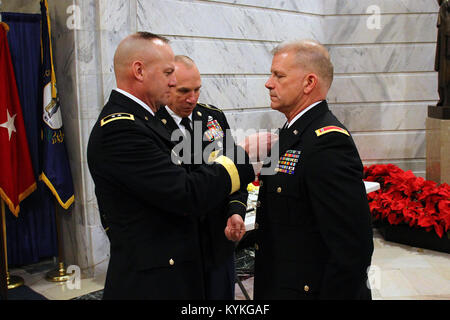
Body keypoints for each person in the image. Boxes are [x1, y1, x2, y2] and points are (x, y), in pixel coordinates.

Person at [87, 32, 265, 299]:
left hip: (192, 261)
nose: (173, 82)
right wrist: (243, 155)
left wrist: (234, 209)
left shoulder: (145, 120)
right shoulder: (122, 129)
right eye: (168, 72)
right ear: (139, 71)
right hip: (155, 281)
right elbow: (186, 192)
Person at [253, 39, 374, 300]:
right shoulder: (290, 133)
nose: (268, 83)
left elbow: (352, 247)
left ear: (309, 83)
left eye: (279, 75)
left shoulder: (328, 141)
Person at [156, 55, 248, 300]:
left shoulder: (212, 117)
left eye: (197, 90)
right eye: (184, 91)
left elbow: (233, 172)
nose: (192, 99)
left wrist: (235, 211)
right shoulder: (151, 125)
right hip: (178, 248)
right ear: (166, 86)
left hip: (218, 242)